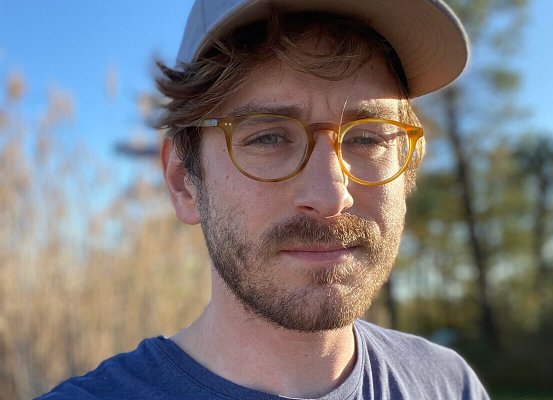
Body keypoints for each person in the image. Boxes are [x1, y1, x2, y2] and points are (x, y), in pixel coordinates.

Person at [38, 0, 489, 399]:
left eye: (367, 138)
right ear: (183, 181)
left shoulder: (448, 384)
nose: (331, 197)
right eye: (269, 136)